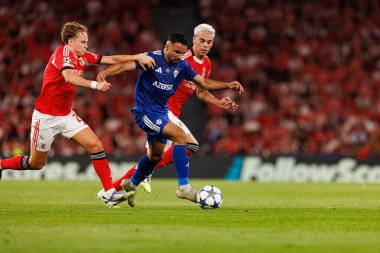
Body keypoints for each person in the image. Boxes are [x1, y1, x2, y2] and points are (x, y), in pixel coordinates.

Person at [0, 21, 155, 208]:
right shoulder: (62, 54)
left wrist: (137, 56)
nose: (86, 45)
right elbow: (69, 77)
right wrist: (94, 84)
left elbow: (109, 59)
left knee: (96, 145)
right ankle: (2, 164)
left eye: (86, 42)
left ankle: (109, 193)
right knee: (36, 163)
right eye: (83, 42)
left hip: (66, 115)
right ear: (70, 41)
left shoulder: (83, 56)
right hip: (45, 117)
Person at [97, 31, 243, 207]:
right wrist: (106, 72)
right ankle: (184, 187)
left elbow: (203, 83)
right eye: (176, 52)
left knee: (155, 157)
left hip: (161, 112)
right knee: (180, 136)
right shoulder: (151, 59)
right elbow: (124, 66)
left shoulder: (182, 66)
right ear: (167, 47)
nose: (179, 56)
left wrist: (228, 85)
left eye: (182, 53)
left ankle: (131, 184)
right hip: (145, 112)